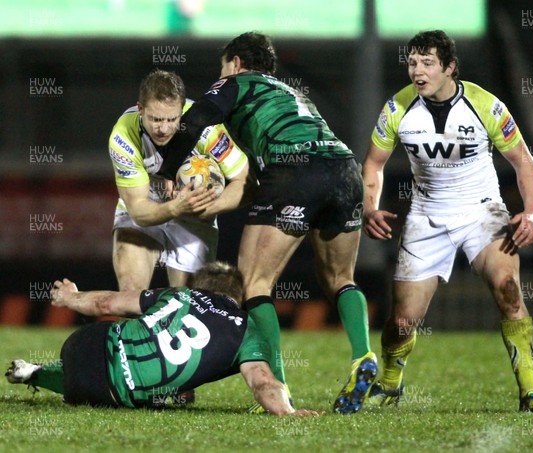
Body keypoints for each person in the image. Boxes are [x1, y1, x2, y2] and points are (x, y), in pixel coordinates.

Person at [157, 32, 377, 414]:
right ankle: (363, 356)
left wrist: (166, 169)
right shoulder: (289, 93)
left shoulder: (234, 82)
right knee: (341, 279)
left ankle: (278, 391)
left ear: (237, 63)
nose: (219, 76)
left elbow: (194, 123)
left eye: (223, 67)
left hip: (296, 171)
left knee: (254, 283)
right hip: (344, 169)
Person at [361, 30, 533, 413]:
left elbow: (524, 162)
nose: (417, 71)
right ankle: (390, 383)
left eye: (427, 63)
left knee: (508, 289)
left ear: (450, 67)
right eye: (413, 62)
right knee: (401, 322)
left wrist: (531, 211)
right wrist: (370, 206)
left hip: (481, 212)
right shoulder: (398, 107)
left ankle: (530, 393)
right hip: (426, 216)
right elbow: (373, 163)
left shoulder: (485, 104)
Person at [5, 262, 319, 416]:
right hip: (108, 394)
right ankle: (37, 373)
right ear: (238, 297)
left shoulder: (178, 294)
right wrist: (288, 414)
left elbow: (106, 304)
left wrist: (72, 298)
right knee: (136, 387)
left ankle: (36, 372)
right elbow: (263, 382)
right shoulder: (247, 328)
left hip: (82, 345)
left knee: (106, 358)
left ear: (199, 285)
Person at [109, 69, 254, 293]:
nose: (164, 128)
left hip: (194, 213)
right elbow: (137, 210)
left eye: (172, 119)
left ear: (181, 111)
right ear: (140, 109)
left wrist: (207, 207)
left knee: (188, 304)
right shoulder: (123, 136)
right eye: (156, 119)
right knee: (130, 295)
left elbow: (246, 182)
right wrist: (176, 206)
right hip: (149, 202)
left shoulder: (206, 127)